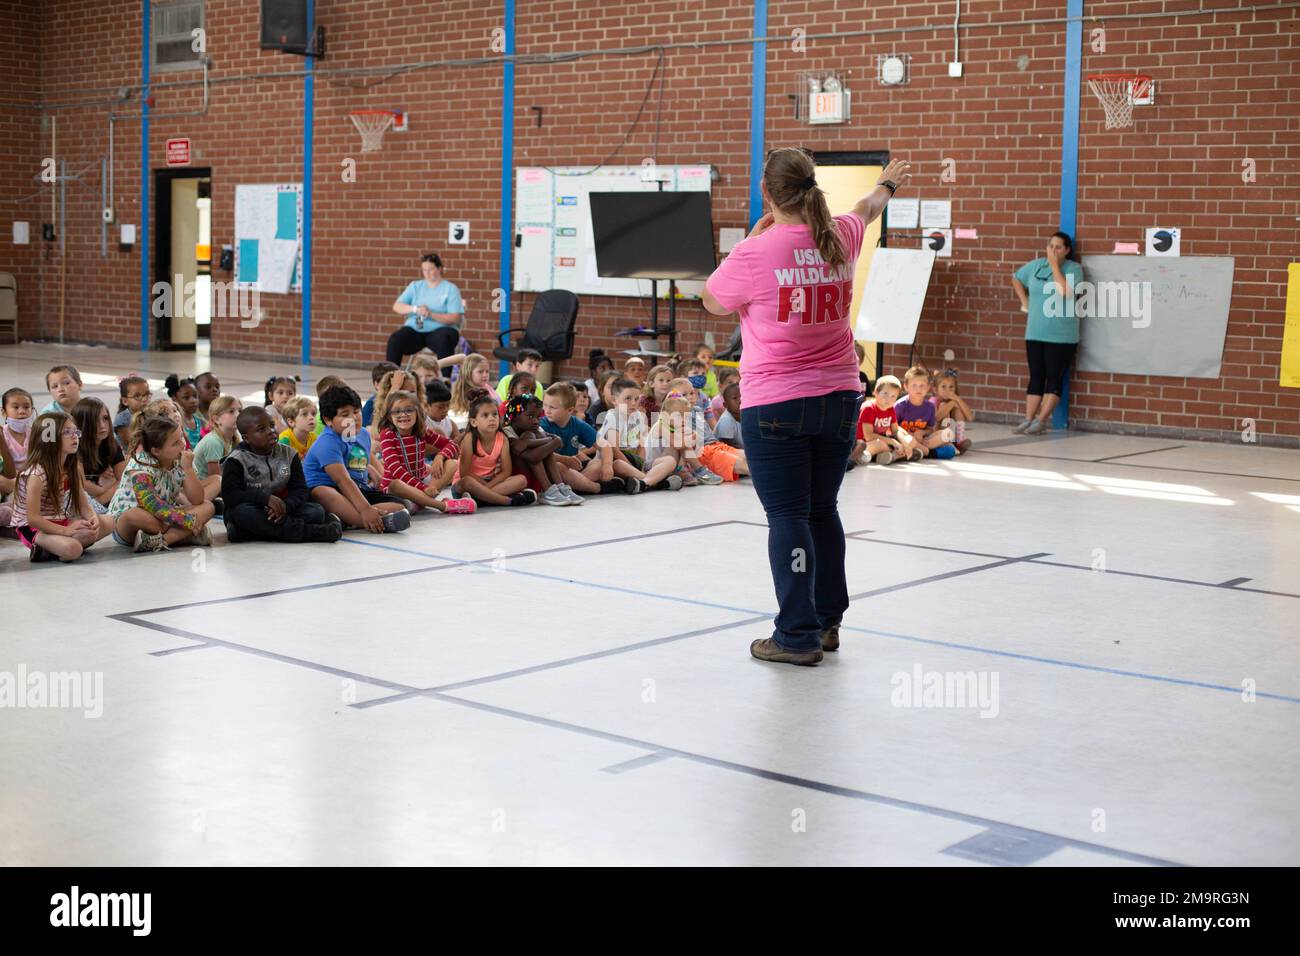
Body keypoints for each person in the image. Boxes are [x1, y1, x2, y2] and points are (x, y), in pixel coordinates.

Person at [702, 146, 912, 665]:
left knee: (789, 516)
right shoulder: (839, 233)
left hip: (777, 403)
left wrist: (748, 243)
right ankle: (826, 622)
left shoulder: (756, 253)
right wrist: (888, 184)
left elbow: (711, 299)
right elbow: (867, 207)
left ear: (767, 194)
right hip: (840, 397)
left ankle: (795, 635)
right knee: (823, 510)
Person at [221, 407, 343, 544]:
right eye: (261, 429)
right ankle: (312, 533)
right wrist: (264, 498)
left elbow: (300, 490)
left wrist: (286, 505)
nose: (271, 432)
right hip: (252, 509)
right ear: (246, 438)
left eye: (272, 425)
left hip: (282, 510)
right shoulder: (236, 460)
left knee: (316, 511)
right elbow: (230, 495)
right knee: (242, 513)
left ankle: (248, 532)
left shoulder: (289, 454)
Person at [303, 385, 411, 533]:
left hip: (357, 489)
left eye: (356, 411)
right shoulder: (327, 442)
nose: (353, 418)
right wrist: (366, 509)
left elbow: (356, 466)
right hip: (331, 490)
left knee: (400, 505)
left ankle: (347, 520)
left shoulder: (363, 435)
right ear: (328, 420)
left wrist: (372, 472)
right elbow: (342, 480)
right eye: (345, 414)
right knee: (322, 492)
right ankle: (369, 520)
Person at [9, 410, 114, 561]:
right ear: (49, 439)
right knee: (73, 549)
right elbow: (33, 519)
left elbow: (83, 505)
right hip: (34, 528)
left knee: (108, 522)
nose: (74, 436)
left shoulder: (71, 467)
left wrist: (92, 518)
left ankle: (51, 550)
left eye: (75, 431)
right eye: (66, 432)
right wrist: (66, 532)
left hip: (59, 520)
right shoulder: (36, 474)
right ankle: (47, 546)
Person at [1010, 231, 1085, 434]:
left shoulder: (1074, 269)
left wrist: (1054, 265)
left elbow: (1066, 292)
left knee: (1053, 377)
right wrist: (1025, 302)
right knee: (1036, 376)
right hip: (1035, 331)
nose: (1053, 251)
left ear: (1067, 250)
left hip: (1061, 335)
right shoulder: (1036, 265)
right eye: (1050, 246)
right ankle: (1028, 418)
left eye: (1058, 247)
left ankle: (1042, 421)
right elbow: (1016, 278)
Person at [109, 415, 216, 552]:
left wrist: (188, 469)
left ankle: (163, 540)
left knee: (208, 506)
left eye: (181, 437)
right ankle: (184, 535)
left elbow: (197, 499)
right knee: (133, 515)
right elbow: (150, 503)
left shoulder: (181, 460)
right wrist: (188, 521)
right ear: (156, 451)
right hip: (134, 523)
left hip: (166, 517)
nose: (183, 445)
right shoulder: (141, 462)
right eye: (175, 443)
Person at [376, 389, 476, 515]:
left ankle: (418, 503)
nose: (403, 414)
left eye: (409, 410)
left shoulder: (422, 431)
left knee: (451, 464)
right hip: (400, 488)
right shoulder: (388, 435)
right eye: (397, 411)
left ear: (417, 412)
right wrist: (424, 487)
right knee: (395, 484)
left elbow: (452, 444)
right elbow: (396, 470)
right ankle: (443, 505)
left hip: (420, 482)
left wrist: (440, 456)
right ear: (389, 417)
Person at [541, 382, 642, 495]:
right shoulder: (543, 425)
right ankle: (597, 488)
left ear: (569, 410)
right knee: (559, 467)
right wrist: (565, 459)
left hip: (576, 470)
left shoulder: (577, 424)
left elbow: (605, 445)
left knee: (598, 464)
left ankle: (578, 486)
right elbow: (542, 454)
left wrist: (607, 465)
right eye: (544, 405)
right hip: (554, 470)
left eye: (552, 407)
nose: (546, 410)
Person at [452, 391, 536, 507]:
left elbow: (506, 471)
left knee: (522, 480)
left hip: (491, 482)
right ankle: (507, 500)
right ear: (473, 422)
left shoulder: (502, 439)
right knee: (467, 482)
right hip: (467, 484)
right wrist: (482, 488)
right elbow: (465, 473)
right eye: (485, 415)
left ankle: (480, 499)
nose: (491, 419)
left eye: (494, 414)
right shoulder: (469, 438)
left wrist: (485, 489)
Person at [501, 393, 581, 505]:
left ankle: (560, 486)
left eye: (538, 417)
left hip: (535, 479)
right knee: (532, 438)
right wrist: (553, 441)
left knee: (538, 439)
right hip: (520, 480)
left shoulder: (536, 429)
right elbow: (532, 457)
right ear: (514, 417)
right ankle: (548, 490)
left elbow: (558, 441)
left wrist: (533, 442)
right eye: (530, 416)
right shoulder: (507, 431)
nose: (535, 421)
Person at [386, 252, 465, 364]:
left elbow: (455, 318)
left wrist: (431, 314)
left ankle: (445, 379)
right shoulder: (415, 286)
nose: (427, 273)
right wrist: (415, 309)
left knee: (445, 339)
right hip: (416, 330)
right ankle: (390, 376)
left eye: (431, 269)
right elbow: (397, 306)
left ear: (439, 268)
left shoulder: (450, 289)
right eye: (424, 270)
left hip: (440, 330)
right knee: (395, 339)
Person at [72, 397, 127, 512]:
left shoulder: (111, 443)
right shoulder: (74, 446)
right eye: (95, 421)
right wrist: (103, 492)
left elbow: (124, 478)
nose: (102, 425)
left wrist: (103, 498)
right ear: (81, 424)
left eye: (105, 418)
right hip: (76, 495)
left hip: (101, 495)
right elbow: (81, 484)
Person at [894, 367, 956, 460]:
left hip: (923, 440)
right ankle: (929, 453)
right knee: (909, 440)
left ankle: (918, 450)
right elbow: (893, 427)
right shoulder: (899, 406)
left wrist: (922, 432)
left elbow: (931, 429)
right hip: (905, 439)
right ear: (906, 387)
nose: (918, 389)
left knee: (948, 433)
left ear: (928, 387)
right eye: (914, 385)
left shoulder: (930, 407)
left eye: (922, 385)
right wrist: (908, 434)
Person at [850, 375, 907, 466]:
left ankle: (884, 456)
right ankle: (864, 456)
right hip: (862, 443)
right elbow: (868, 436)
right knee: (880, 444)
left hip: (881, 440)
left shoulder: (890, 409)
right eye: (885, 394)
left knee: (905, 437)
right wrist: (892, 442)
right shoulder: (869, 408)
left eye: (893, 396)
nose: (889, 399)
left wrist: (905, 443)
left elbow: (896, 430)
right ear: (875, 392)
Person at [933, 369, 974, 454]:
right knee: (944, 406)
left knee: (958, 410)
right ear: (935, 390)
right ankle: (947, 441)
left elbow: (970, 418)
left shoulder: (955, 401)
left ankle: (959, 441)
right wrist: (952, 403)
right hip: (937, 435)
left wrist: (958, 400)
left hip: (953, 436)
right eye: (943, 386)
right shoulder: (933, 401)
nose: (948, 390)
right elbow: (936, 418)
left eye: (951, 387)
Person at [164, 374, 206, 448]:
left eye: (195, 396)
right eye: (186, 397)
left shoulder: (201, 422)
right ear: (174, 397)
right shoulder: (173, 423)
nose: (193, 401)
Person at [114, 375, 151, 451]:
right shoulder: (122, 419)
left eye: (146, 395)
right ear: (125, 401)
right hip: (129, 457)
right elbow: (132, 443)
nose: (144, 399)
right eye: (137, 396)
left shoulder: (150, 414)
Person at [277, 395, 319, 460]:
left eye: (313, 414)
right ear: (291, 422)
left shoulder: (313, 438)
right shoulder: (284, 440)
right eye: (305, 414)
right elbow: (280, 465)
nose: (311, 417)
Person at [361, 362, 399, 427]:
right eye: (388, 384)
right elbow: (365, 428)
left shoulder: (400, 400)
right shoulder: (371, 404)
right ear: (377, 384)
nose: (392, 387)